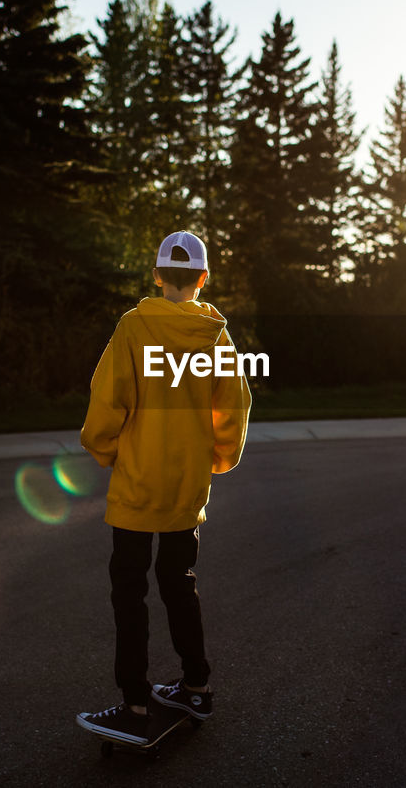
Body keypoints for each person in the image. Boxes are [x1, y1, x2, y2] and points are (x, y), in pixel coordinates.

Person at [75, 230, 252, 745]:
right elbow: (233, 407)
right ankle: (195, 685)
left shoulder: (134, 328)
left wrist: (102, 449)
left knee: (129, 593)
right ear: (203, 278)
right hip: (186, 484)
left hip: (137, 484)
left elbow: (110, 399)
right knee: (180, 582)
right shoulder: (216, 335)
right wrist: (217, 459)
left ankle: (134, 704)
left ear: (156, 276)